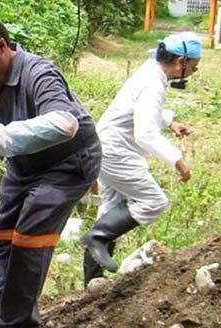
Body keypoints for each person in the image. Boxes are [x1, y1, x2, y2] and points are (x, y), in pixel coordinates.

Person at [0, 15, 102, 328]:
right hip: (24, 163)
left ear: (3, 47)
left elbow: (64, 124)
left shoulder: (39, 73)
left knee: (30, 237)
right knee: (4, 232)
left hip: (69, 161)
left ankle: (16, 327)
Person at [80, 32, 200, 286]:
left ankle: (92, 282)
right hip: (117, 151)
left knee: (111, 209)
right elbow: (145, 133)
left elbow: (139, 107)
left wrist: (170, 121)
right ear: (180, 62)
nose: (194, 71)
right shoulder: (153, 83)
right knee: (153, 201)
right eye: (193, 66)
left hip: (107, 146)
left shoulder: (151, 71)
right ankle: (97, 238)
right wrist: (177, 160)